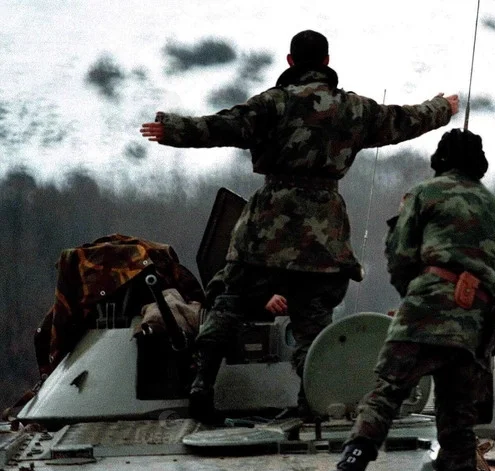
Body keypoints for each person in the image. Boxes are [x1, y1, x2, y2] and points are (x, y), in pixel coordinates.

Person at [139, 30, 459, 422]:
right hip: (322, 233)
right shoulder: (354, 109)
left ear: (290, 62)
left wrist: (172, 129)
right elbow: (405, 120)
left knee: (231, 299)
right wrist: (443, 107)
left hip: (266, 226)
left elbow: (223, 126)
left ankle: (202, 382)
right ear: (326, 62)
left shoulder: (273, 104)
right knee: (313, 319)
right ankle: (312, 399)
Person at [292, 128, 495, 471]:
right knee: (458, 414)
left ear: (440, 159)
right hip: (476, 320)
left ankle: (351, 468)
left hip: (427, 306)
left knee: (388, 389)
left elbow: (400, 253)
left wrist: (414, 291)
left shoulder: (426, 193)